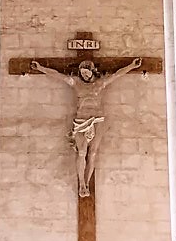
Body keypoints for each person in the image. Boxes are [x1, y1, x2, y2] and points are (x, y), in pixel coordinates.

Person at [32, 57, 143, 196]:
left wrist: (131, 66)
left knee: (93, 153)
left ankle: (87, 182)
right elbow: (58, 75)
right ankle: (81, 184)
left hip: (97, 119)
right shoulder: (76, 83)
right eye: (82, 72)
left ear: (92, 71)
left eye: (86, 72)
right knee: (82, 152)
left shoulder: (100, 83)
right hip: (81, 120)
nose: (84, 75)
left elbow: (116, 75)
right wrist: (41, 68)